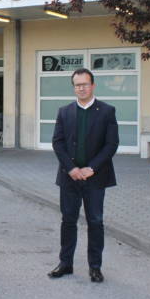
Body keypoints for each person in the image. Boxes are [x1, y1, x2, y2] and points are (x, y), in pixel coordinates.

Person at [49, 68, 118, 283]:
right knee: (68, 220)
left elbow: (111, 144)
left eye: (85, 84)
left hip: (95, 178)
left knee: (95, 222)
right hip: (69, 177)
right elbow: (57, 142)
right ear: (74, 87)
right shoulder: (64, 111)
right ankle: (65, 263)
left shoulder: (107, 111)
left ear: (93, 85)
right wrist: (71, 168)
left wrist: (92, 168)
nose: (81, 88)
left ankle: (95, 267)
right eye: (77, 85)